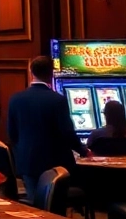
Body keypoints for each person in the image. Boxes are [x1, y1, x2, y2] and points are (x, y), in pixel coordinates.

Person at [7, 55, 88, 198]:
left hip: (27, 162)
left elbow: (12, 134)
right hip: (55, 165)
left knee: (36, 206)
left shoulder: (15, 99)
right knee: (55, 205)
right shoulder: (58, 100)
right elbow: (67, 133)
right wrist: (83, 150)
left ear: (31, 72)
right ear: (51, 74)